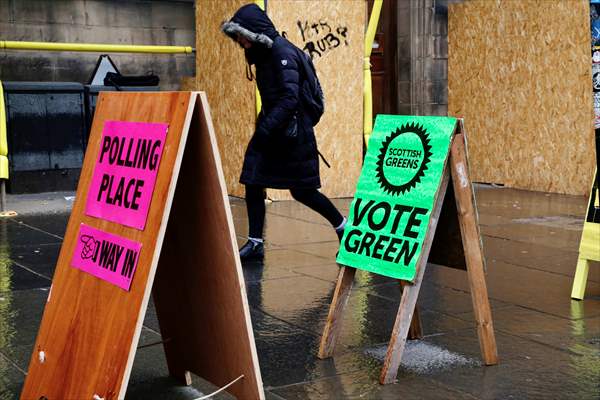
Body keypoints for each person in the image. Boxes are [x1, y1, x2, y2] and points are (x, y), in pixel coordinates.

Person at [221, 4, 346, 261]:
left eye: (242, 36)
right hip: (277, 129)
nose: (240, 42)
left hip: (292, 134)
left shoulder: (280, 53)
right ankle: (255, 242)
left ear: (255, 33)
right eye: (238, 38)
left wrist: (265, 129)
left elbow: (289, 99)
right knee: (253, 180)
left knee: (303, 190)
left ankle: (344, 227)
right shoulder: (265, 53)